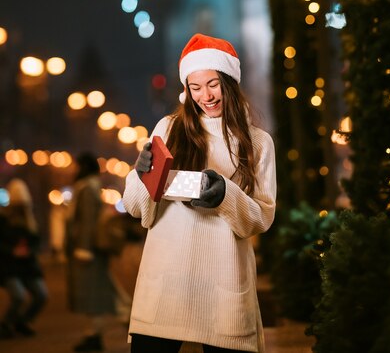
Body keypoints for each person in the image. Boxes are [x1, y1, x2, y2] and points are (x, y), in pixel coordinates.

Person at [123, 33, 277, 353]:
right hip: (166, 282)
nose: (205, 96)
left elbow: (261, 217)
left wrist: (224, 196)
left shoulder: (258, 142)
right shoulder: (167, 128)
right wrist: (141, 175)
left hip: (225, 285)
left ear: (230, 82)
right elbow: (136, 208)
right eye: (194, 87)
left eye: (212, 84)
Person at [65, 153, 117, 352]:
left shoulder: (86, 189)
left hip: (89, 251)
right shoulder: (91, 187)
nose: (73, 169)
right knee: (99, 292)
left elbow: (87, 221)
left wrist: (83, 248)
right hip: (93, 249)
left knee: (94, 294)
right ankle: (94, 334)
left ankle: (94, 335)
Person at [0, 178, 48, 339]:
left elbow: (37, 241)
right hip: (9, 267)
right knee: (18, 296)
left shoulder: (31, 221)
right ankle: (6, 323)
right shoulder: (3, 220)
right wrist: (12, 251)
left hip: (28, 267)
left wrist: (29, 251)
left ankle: (21, 321)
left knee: (41, 295)